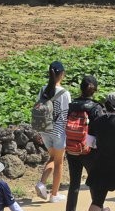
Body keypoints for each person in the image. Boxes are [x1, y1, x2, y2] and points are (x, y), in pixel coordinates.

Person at [65, 75, 104, 211]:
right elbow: (101, 130)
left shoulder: (71, 106)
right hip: (89, 150)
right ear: (95, 90)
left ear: (80, 88)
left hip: (71, 149)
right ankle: (97, 208)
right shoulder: (95, 108)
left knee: (74, 184)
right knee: (94, 182)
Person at [35, 61, 70, 203]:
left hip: (44, 129)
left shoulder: (43, 89)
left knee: (53, 158)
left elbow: (38, 107)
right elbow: (66, 114)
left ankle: (42, 183)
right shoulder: (64, 93)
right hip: (58, 131)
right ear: (62, 74)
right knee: (59, 162)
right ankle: (54, 195)